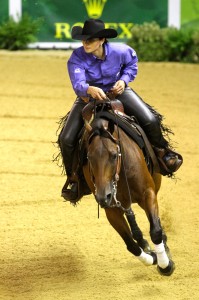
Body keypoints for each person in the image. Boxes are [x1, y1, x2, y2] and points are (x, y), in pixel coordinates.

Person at [58, 18, 182, 201]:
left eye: (90, 40)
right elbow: (78, 83)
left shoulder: (122, 51)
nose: (85, 43)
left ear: (101, 40)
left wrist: (124, 81)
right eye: (83, 40)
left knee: (150, 119)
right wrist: (88, 89)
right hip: (88, 97)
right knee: (66, 139)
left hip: (118, 93)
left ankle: (163, 153)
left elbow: (131, 65)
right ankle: (74, 179)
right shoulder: (77, 57)